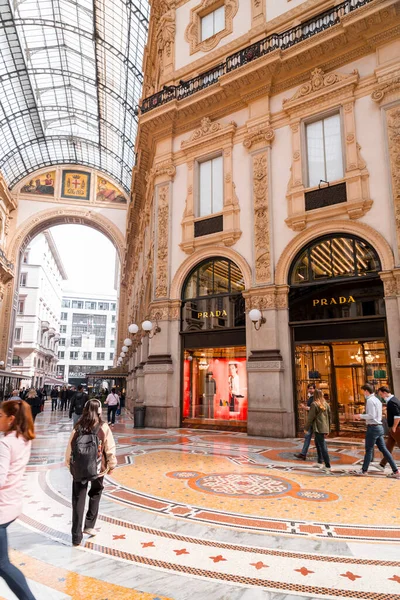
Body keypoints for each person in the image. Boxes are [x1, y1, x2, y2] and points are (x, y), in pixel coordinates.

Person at [65, 399, 116, 546]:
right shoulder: (103, 427)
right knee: (96, 492)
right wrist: (111, 465)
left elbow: (69, 448)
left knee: (78, 499)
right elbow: (110, 448)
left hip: (79, 468)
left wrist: (70, 466)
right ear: (100, 411)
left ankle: (76, 536)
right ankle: (89, 525)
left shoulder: (78, 427)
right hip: (97, 469)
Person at [0, 399, 37, 600]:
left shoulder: (6, 443)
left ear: (11, 419)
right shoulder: (23, 439)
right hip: (12, 503)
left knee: (2, 564)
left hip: (1, 507)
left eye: (0, 416)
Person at [353, 384, 400, 478]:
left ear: (366, 391)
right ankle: (395, 470)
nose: (363, 394)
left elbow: (371, 415)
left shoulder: (370, 401)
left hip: (373, 428)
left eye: (363, 391)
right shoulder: (378, 400)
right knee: (384, 450)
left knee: (369, 449)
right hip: (379, 427)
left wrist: (360, 416)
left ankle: (364, 470)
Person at [306, 389, 332, 473]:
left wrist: (306, 428)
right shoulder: (326, 404)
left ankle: (327, 465)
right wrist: (328, 428)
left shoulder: (314, 404)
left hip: (318, 428)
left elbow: (310, 417)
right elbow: (329, 417)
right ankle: (320, 461)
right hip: (324, 427)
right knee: (317, 443)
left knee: (322, 445)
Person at [294, 383, 322, 462]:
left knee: (318, 439)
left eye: (311, 388)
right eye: (309, 388)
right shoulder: (311, 397)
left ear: (314, 389)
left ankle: (322, 456)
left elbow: (314, 408)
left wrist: (305, 407)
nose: (310, 390)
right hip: (311, 420)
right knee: (307, 436)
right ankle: (303, 454)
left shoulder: (315, 398)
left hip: (315, 421)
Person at [375, 386, 400, 472]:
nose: (381, 396)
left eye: (381, 394)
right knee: (388, 447)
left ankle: (383, 465)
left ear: (385, 392)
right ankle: (382, 464)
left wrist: (394, 427)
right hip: (394, 428)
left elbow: (397, 416)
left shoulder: (391, 402)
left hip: (396, 428)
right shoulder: (394, 400)